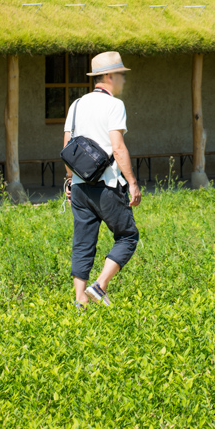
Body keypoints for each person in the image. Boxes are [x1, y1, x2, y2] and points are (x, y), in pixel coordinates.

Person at [64, 51, 141, 310]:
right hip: (106, 185)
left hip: (80, 186)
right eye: (121, 75)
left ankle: (79, 300)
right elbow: (117, 148)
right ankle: (100, 285)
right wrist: (132, 182)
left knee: (83, 241)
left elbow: (67, 148)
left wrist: (69, 182)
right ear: (109, 76)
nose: (124, 81)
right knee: (128, 236)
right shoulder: (114, 106)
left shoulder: (75, 105)